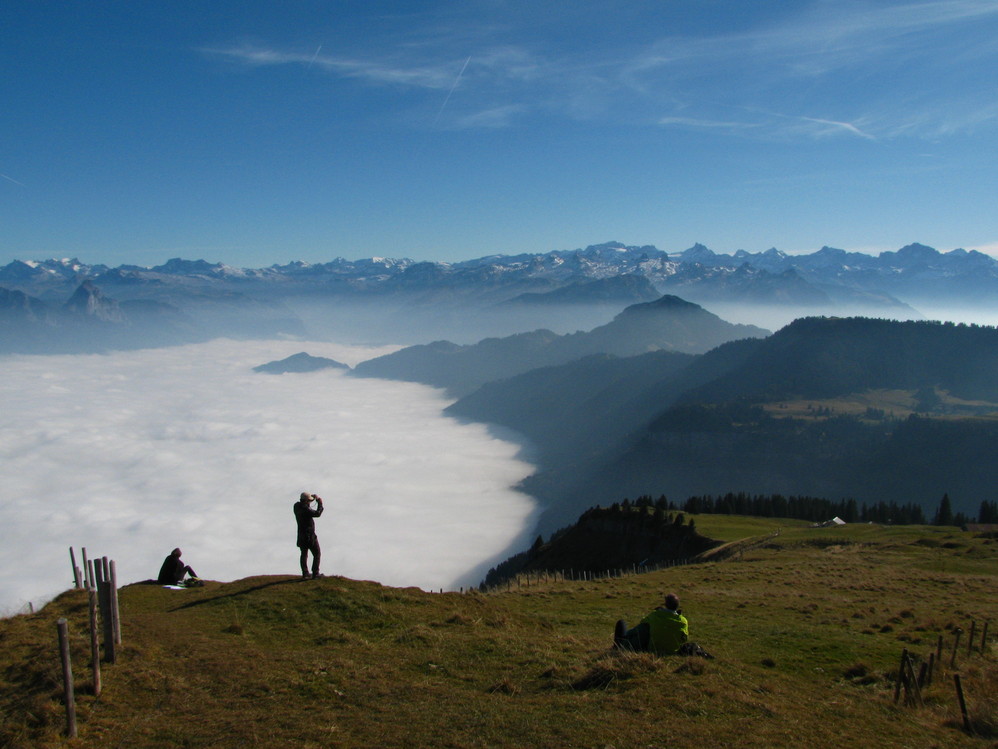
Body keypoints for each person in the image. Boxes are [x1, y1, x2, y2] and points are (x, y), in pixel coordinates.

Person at [614, 593, 712, 658]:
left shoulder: (656, 615)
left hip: (653, 649)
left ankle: (620, 642)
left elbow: (642, 622)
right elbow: (684, 639)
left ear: (665, 604)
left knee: (622, 624)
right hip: (672, 651)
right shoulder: (683, 621)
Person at [294, 491, 324, 579]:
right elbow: (317, 513)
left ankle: (305, 573)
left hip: (301, 536)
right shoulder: (306, 510)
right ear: (306, 501)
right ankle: (315, 573)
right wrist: (320, 503)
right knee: (317, 553)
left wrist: (311, 498)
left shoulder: (296, 506)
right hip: (309, 536)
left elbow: (305, 505)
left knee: (304, 554)